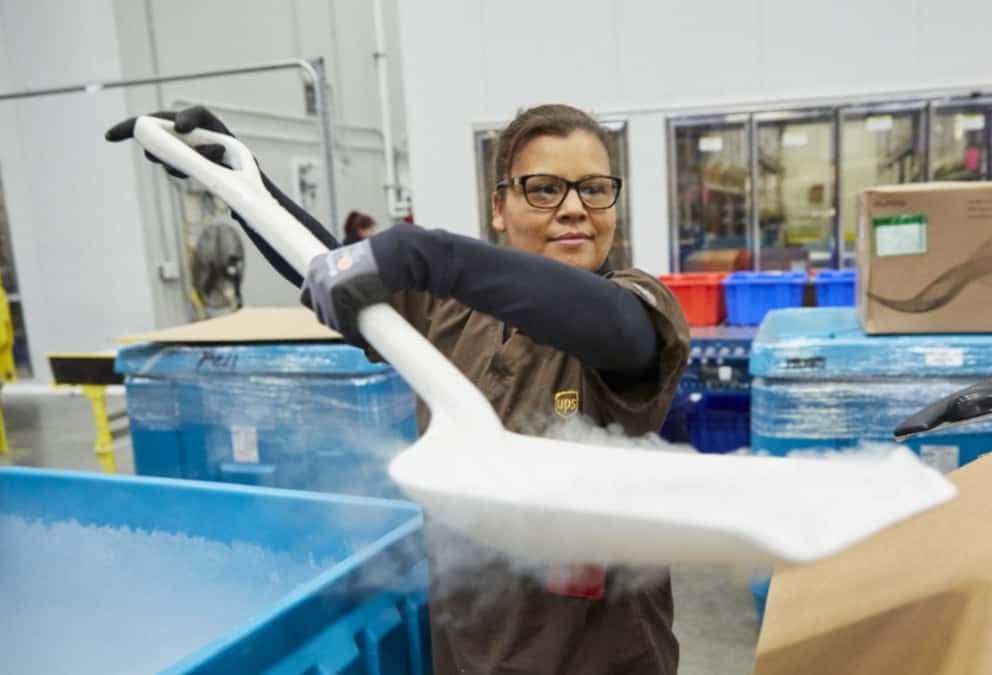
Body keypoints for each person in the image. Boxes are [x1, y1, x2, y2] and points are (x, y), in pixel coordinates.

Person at [107, 104, 690, 674]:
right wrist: (245, 187)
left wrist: (434, 255)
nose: (574, 209)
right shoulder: (453, 317)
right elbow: (330, 270)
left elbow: (619, 331)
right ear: (499, 207)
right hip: (469, 650)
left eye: (594, 189)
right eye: (544, 189)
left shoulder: (635, 304)